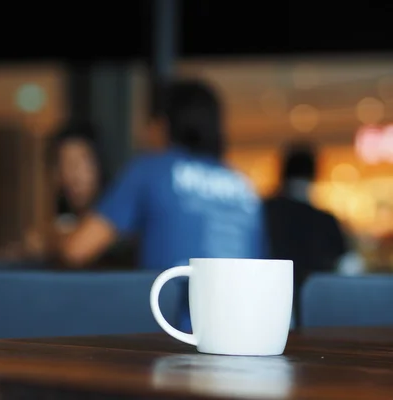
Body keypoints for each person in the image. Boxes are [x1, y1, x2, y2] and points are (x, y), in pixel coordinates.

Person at [54, 80, 266, 325]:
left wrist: (51, 236)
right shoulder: (242, 185)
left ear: (162, 125)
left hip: (176, 334)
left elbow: (76, 250)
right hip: (246, 329)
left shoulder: (151, 169)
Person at [26, 123, 136, 267]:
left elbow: (74, 250)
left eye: (82, 162)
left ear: (100, 164)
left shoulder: (120, 211)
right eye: (66, 163)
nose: (75, 175)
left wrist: (51, 240)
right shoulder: (63, 219)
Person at [264, 143, 348, 319]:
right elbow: (347, 265)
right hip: (316, 303)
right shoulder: (325, 220)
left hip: (267, 297)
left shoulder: (262, 211)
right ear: (314, 174)